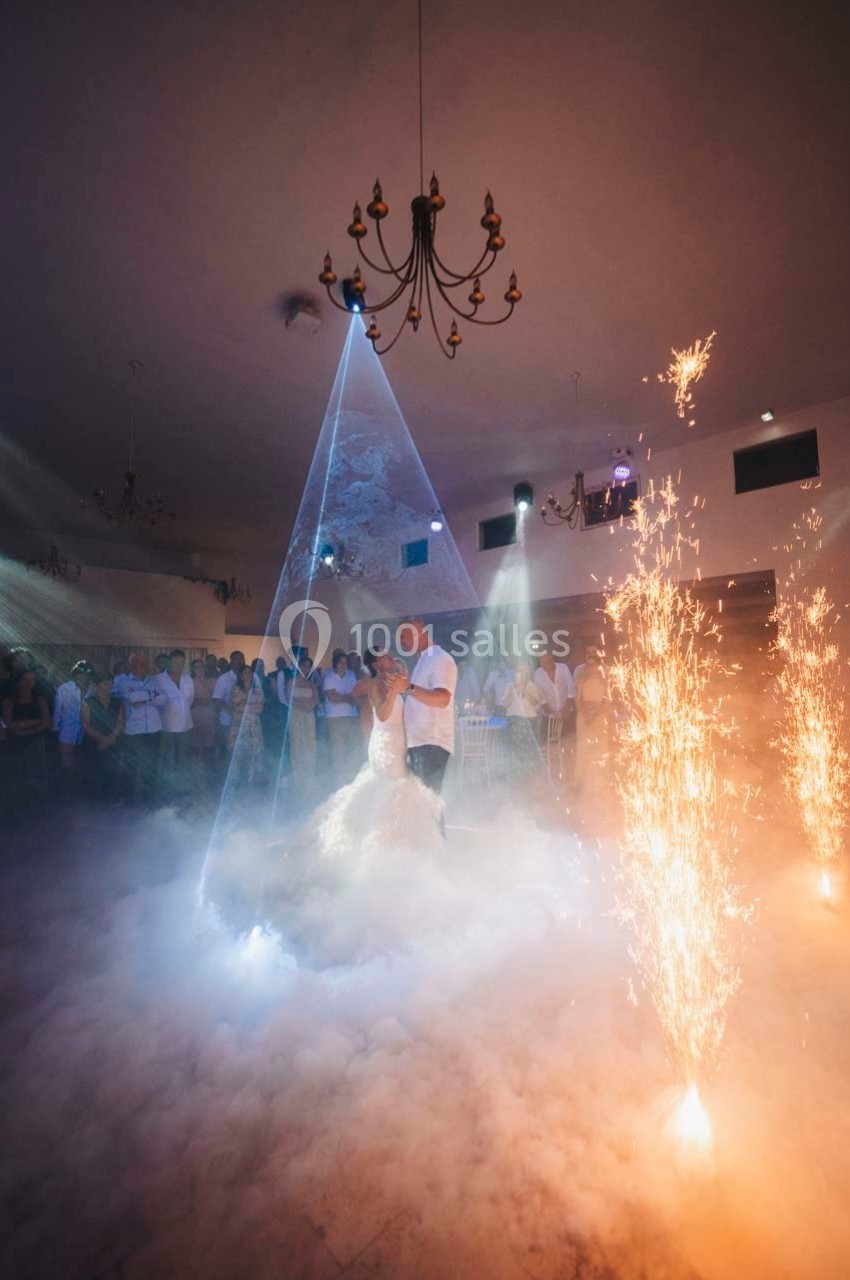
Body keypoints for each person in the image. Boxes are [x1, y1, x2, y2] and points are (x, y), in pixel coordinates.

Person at [399, 618, 457, 798]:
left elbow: (442, 699)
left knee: (427, 803)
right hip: (420, 743)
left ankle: (434, 828)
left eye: (403, 636)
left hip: (431, 743)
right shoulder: (423, 660)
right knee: (422, 805)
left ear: (418, 633)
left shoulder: (440, 658)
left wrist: (408, 688)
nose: (400, 641)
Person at [114, 651, 166, 804]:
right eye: (136, 663)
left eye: (143, 663)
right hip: (133, 730)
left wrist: (141, 695)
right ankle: (129, 799)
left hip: (154, 729)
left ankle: (150, 798)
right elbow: (131, 699)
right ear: (131, 664)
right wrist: (151, 695)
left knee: (152, 765)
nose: (140, 666)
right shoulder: (121, 681)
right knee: (132, 765)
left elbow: (163, 699)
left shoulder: (154, 681)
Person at [2, 669, 50, 806]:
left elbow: (46, 721)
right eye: (25, 680)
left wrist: (27, 727)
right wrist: (34, 721)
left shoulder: (40, 700)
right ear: (18, 682)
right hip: (15, 744)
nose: (29, 683)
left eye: (32, 680)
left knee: (38, 774)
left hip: (36, 742)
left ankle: (38, 805)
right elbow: (9, 724)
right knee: (17, 776)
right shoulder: (9, 702)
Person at [156, 648, 195, 800]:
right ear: (169, 662)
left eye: (181, 662)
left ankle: (181, 789)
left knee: (183, 760)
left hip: (185, 726)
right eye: (175, 661)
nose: (178, 665)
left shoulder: (188, 678)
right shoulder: (159, 679)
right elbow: (156, 703)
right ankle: (162, 790)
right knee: (164, 759)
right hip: (165, 727)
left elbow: (190, 700)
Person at [81, 672, 125, 802]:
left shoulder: (118, 702)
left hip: (113, 742)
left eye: (111, 683)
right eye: (105, 683)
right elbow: (85, 725)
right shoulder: (88, 702)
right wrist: (102, 739)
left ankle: (112, 803)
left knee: (113, 773)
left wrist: (112, 737)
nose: (108, 685)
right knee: (94, 774)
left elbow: (121, 721)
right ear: (97, 685)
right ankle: (94, 804)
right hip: (93, 743)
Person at [52, 660, 93, 795]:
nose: (84, 675)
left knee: (83, 764)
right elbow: (57, 711)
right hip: (67, 731)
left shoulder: (93, 688)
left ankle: (81, 793)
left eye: (87, 673)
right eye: (80, 672)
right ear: (75, 673)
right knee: (67, 764)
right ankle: (65, 794)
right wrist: (55, 729)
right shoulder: (64, 688)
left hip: (85, 732)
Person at [573, 647, 611, 794]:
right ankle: (581, 782)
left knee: (600, 749)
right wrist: (584, 713)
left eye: (594, 664)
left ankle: (600, 784)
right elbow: (577, 700)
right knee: (583, 748)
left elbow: (608, 701)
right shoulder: (581, 677)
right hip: (583, 717)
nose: (591, 667)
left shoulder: (606, 678)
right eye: (589, 664)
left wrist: (595, 715)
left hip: (600, 717)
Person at [322, 651, 360, 784]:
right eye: (341, 662)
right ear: (335, 664)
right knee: (338, 750)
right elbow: (332, 698)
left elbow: (355, 699)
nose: (343, 665)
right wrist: (347, 697)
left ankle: (351, 780)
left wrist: (341, 697)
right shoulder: (329, 677)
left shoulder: (352, 676)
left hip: (352, 716)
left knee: (353, 748)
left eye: (345, 662)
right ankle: (338, 781)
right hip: (335, 718)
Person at [227, 663, 265, 784]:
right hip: (239, 726)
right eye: (245, 672)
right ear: (241, 675)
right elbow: (236, 707)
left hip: (253, 726)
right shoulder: (235, 689)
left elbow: (260, 709)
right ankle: (237, 780)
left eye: (250, 672)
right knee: (238, 753)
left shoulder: (258, 690)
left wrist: (244, 705)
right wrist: (252, 706)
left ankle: (251, 780)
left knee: (254, 752)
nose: (247, 674)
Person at [286, 654, 319, 797]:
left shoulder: (312, 684)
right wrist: (302, 704)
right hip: (296, 715)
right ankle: (298, 780)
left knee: (310, 744)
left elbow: (316, 700)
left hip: (309, 716)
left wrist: (309, 705)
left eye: (308, 666)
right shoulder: (291, 682)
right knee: (297, 744)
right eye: (304, 665)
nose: (306, 668)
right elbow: (289, 699)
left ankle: (309, 779)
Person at [504, 661, 544, 776]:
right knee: (515, 748)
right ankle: (517, 773)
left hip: (529, 719)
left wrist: (524, 690)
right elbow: (505, 705)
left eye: (524, 671)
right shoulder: (509, 685)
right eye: (519, 670)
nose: (521, 673)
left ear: (527, 673)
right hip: (514, 720)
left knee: (529, 748)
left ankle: (529, 773)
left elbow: (536, 702)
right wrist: (513, 691)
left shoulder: (531, 685)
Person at [190, 657, 218, 774]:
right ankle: (194, 774)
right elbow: (186, 701)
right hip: (194, 717)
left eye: (202, 666)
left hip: (210, 717)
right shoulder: (188, 682)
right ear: (192, 669)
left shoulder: (213, 681)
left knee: (209, 747)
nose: (199, 669)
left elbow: (217, 699)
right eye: (196, 666)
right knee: (194, 747)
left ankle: (210, 774)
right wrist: (197, 701)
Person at [533, 652, 576, 717]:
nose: (543, 665)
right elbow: (541, 697)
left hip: (567, 713)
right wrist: (550, 713)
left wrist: (566, 708)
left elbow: (571, 689)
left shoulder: (563, 668)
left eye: (545, 661)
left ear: (551, 659)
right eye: (541, 661)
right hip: (549, 716)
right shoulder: (537, 674)